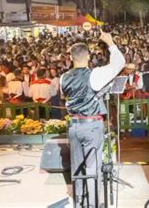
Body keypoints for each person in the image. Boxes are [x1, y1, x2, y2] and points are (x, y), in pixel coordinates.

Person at [60, 30, 125, 208]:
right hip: (92, 125)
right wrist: (110, 42)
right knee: (92, 167)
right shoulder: (94, 75)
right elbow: (120, 63)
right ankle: (93, 203)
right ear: (88, 56)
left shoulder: (63, 77)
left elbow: (65, 95)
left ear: (71, 57)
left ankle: (79, 199)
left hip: (73, 126)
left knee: (77, 165)